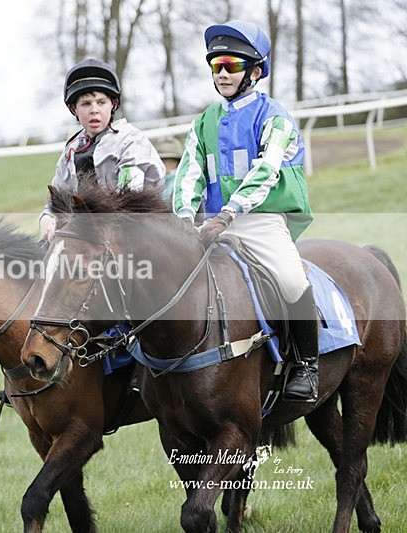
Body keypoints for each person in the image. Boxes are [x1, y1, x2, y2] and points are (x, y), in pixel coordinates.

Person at [171, 20, 318, 402]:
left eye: (231, 65)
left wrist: (228, 214)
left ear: (255, 71)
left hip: (260, 221)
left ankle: (306, 365)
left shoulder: (274, 117)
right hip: (211, 225)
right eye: (216, 65)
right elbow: (189, 172)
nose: (221, 73)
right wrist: (186, 218)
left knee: (290, 279)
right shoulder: (203, 121)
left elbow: (265, 171)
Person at [39, 58, 165, 241]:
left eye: (101, 102)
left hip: (138, 230)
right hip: (92, 233)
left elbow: (129, 197)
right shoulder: (71, 150)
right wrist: (47, 218)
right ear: (73, 108)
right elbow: (57, 196)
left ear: (113, 104)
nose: (94, 110)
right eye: (86, 104)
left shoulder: (130, 141)